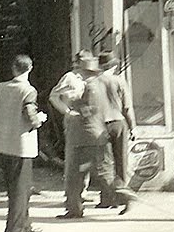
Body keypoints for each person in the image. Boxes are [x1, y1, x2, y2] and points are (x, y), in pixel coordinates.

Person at [0, 54, 46, 232]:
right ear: (30, 68)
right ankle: (15, 229)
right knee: (21, 188)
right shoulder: (28, 90)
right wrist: (39, 120)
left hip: (0, 144)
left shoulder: (0, 87)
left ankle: (25, 224)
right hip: (21, 145)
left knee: (14, 186)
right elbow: (29, 114)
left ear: (13, 69)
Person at [49, 50, 110, 219]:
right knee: (80, 165)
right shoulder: (70, 78)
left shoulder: (97, 82)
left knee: (81, 166)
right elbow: (54, 96)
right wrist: (67, 112)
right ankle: (77, 201)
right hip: (78, 126)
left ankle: (77, 201)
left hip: (90, 128)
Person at [97, 51, 137, 210]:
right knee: (121, 161)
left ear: (100, 66)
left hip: (101, 125)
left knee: (104, 163)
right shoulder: (120, 81)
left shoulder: (94, 82)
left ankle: (107, 198)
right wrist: (133, 127)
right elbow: (127, 107)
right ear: (113, 65)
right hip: (119, 123)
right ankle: (124, 199)